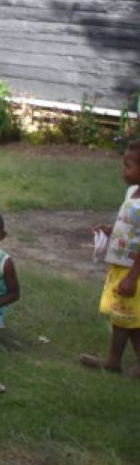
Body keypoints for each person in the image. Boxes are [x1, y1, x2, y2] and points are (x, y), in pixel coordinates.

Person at [80, 140, 140, 374]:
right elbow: (129, 225)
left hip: (132, 270)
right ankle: (113, 361)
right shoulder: (131, 192)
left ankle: (123, 361)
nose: (122, 170)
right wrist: (110, 229)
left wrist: (132, 278)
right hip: (120, 265)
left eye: (128, 165)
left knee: (129, 316)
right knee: (121, 315)